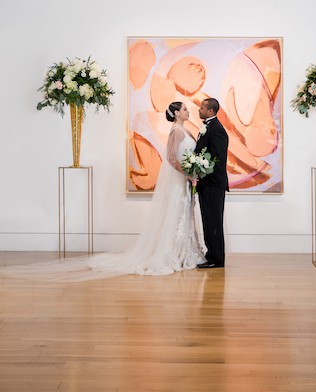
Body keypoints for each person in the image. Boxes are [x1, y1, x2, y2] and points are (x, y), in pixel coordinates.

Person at [0, 101, 206, 281]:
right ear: (177, 113)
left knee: (181, 214)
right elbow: (171, 158)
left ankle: (183, 251)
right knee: (175, 214)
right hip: (179, 180)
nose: (189, 111)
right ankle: (173, 252)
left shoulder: (185, 130)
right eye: (185, 109)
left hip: (183, 181)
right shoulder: (176, 132)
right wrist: (188, 174)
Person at [195, 98, 229, 268]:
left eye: (202, 108)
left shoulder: (217, 129)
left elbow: (218, 159)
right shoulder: (208, 126)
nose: (198, 109)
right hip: (206, 184)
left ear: (210, 111)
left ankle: (216, 259)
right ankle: (212, 255)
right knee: (208, 220)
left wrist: (203, 170)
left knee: (213, 220)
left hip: (213, 184)